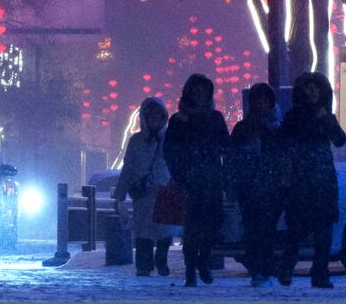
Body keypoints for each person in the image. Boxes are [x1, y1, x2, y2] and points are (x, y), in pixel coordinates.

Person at [276, 72, 346, 289]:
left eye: (316, 87)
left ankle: (320, 274)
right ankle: (287, 268)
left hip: (323, 182)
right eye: (308, 87)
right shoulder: (293, 117)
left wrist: (325, 118)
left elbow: (340, 140)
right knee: (296, 229)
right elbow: (284, 145)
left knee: (323, 231)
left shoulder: (326, 116)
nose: (312, 91)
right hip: (302, 181)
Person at [164, 74, 230, 287]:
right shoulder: (178, 120)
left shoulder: (216, 118)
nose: (200, 95)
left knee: (213, 222)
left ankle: (203, 261)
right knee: (192, 227)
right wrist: (179, 174)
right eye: (196, 90)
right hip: (189, 180)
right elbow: (170, 150)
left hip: (212, 178)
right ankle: (191, 268)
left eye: (204, 91)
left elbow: (226, 147)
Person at [227, 83, 283, 287]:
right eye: (257, 99)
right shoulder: (243, 129)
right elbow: (232, 157)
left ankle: (263, 268)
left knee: (266, 229)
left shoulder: (278, 128)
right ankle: (259, 269)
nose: (261, 103)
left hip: (271, 186)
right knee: (253, 228)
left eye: (265, 99)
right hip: (249, 187)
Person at [114, 98, 178, 276]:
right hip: (142, 192)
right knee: (143, 231)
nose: (154, 119)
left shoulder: (170, 139)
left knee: (164, 229)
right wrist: (120, 192)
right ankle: (144, 265)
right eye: (151, 115)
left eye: (158, 115)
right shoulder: (136, 141)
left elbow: (176, 164)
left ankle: (161, 260)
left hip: (163, 191)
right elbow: (128, 167)